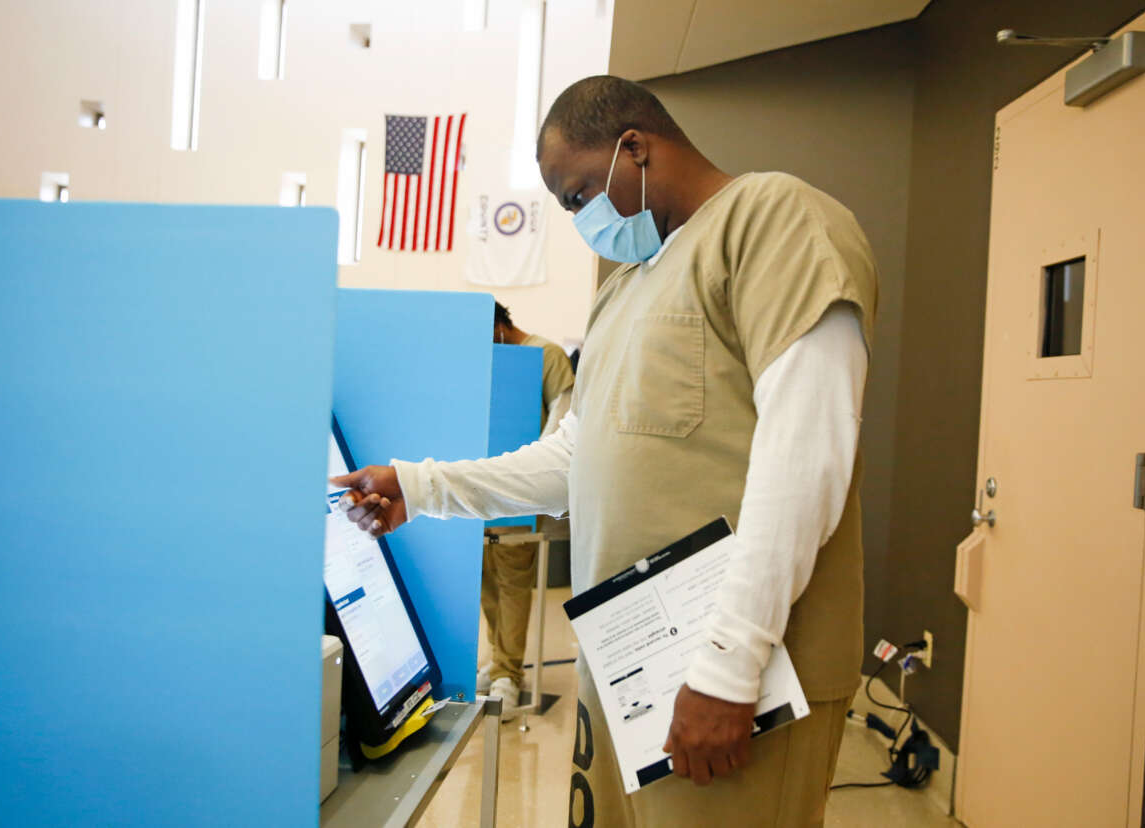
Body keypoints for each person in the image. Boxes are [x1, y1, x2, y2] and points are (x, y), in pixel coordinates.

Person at [332, 75, 877, 828]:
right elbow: (571, 463)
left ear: (635, 147)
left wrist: (727, 665)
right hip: (635, 669)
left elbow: (806, 457)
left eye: (579, 193)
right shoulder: (626, 290)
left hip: (740, 679)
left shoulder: (775, 221)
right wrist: (421, 486)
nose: (580, 218)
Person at [480, 301, 575, 719]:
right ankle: (499, 659)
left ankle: (509, 674)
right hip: (485, 487)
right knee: (486, 580)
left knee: (514, 580)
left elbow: (564, 417)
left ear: (501, 324)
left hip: (521, 493)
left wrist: (532, 475)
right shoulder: (490, 360)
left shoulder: (546, 354)